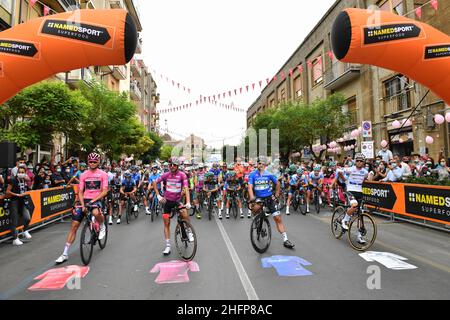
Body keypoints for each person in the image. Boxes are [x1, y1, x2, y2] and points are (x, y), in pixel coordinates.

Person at [55, 152, 108, 264]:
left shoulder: (103, 174)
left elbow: (104, 191)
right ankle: (64, 253)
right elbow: (80, 191)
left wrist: (94, 200)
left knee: (95, 213)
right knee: (74, 225)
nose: (92, 163)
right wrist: (83, 204)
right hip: (85, 199)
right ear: (88, 162)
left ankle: (102, 225)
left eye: (95, 162)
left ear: (98, 162)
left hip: (97, 199)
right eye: (91, 162)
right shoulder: (83, 174)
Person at [248, 157, 294, 249]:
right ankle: (257, 221)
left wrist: (276, 195)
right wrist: (252, 197)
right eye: (259, 163)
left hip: (269, 198)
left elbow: (277, 183)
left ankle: (286, 240)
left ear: (265, 165)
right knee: (255, 209)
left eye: (262, 164)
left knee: (278, 218)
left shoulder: (269, 174)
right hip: (259, 198)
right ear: (257, 164)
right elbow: (250, 186)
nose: (260, 165)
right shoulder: (252, 174)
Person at [153, 157, 192, 256]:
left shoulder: (182, 175)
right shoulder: (166, 175)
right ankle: (167, 246)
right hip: (167, 202)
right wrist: (158, 196)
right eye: (170, 165)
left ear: (178, 166)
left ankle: (189, 230)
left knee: (184, 214)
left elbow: (186, 188)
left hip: (177, 201)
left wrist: (188, 202)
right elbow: (154, 183)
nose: (172, 166)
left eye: (174, 165)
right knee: (166, 223)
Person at [341, 154, 369, 244]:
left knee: (360, 213)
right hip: (350, 190)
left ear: (364, 162)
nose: (359, 162)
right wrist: (345, 180)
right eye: (357, 161)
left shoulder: (365, 172)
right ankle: (344, 221)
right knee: (354, 205)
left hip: (359, 191)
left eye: (361, 161)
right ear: (355, 161)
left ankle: (359, 236)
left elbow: (365, 179)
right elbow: (339, 172)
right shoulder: (351, 169)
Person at [6, 165, 32, 246]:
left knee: (27, 218)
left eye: (22, 172)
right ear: (17, 173)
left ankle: (25, 230)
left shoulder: (24, 179)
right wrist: (16, 194)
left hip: (23, 201)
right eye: (19, 172)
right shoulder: (13, 180)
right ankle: (15, 239)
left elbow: (30, 180)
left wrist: (26, 177)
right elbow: (7, 191)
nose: (21, 173)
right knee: (14, 221)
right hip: (14, 201)